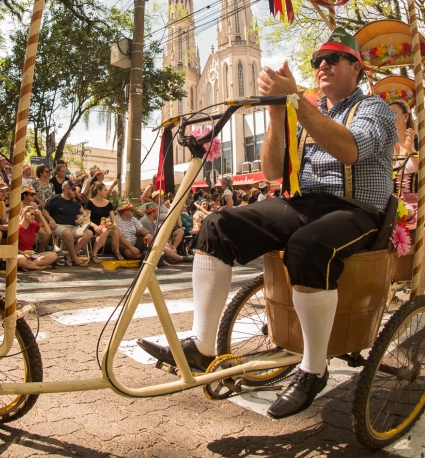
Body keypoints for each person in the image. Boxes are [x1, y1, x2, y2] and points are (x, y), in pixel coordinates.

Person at [137, 27, 397, 419]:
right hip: (306, 203)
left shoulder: (373, 107)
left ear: (356, 68)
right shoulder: (311, 111)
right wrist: (278, 112)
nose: (322, 66)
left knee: (307, 246)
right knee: (216, 227)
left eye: (332, 59)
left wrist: (295, 100)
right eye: (316, 61)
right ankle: (201, 344)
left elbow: (348, 149)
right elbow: (273, 170)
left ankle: (313, 369)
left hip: (357, 210)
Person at [389, 100, 425, 293]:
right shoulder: (381, 141)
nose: (389, 117)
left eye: (394, 113)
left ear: (405, 117)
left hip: (416, 196)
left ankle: (418, 286)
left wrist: (410, 149)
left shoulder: (420, 139)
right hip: (390, 199)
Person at [44, 180, 94, 266]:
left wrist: (84, 220)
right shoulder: (55, 199)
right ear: (66, 190)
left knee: (88, 233)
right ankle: (74, 258)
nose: (76, 191)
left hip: (72, 226)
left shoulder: (75, 202)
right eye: (73, 189)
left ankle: (70, 255)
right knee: (67, 233)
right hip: (58, 225)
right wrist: (51, 219)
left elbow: (78, 216)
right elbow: (44, 211)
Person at [14, 205, 58, 271]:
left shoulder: (33, 224)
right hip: (21, 254)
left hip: (32, 254)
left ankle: (28, 266)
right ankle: (39, 268)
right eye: (31, 214)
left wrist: (41, 217)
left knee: (53, 255)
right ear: (24, 214)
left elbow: (48, 232)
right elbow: (13, 247)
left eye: (34, 215)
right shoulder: (17, 227)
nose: (33, 217)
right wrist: (23, 253)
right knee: (19, 259)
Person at [85, 182, 117, 263]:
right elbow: (86, 219)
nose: (107, 192)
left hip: (105, 226)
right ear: (99, 191)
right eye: (105, 190)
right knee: (104, 231)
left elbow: (113, 218)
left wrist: (115, 224)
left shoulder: (108, 203)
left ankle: (117, 253)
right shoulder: (90, 202)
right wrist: (95, 226)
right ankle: (93, 255)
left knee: (115, 231)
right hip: (93, 227)